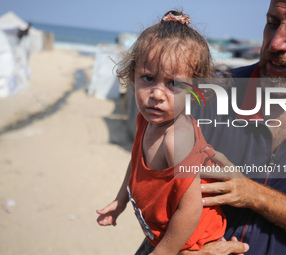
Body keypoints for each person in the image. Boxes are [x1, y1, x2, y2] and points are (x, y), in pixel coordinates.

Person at [181, 0, 286, 254]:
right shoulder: (212, 94)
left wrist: (253, 194)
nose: (275, 43)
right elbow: (153, 187)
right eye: (272, 23)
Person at [96, 11, 227, 254]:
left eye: (173, 84)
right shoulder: (146, 121)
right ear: (133, 74)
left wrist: (164, 252)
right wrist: (120, 201)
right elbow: (136, 165)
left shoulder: (176, 138)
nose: (157, 94)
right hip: (165, 237)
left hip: (192, 243)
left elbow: (191, 208)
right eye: (148, 78)